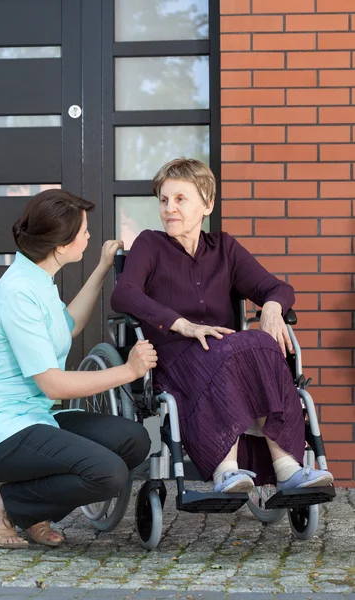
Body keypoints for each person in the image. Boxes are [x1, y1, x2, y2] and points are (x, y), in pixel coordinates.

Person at [111, 158, 334, 495]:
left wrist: (273, 307)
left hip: (227, 354)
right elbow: (123, 294)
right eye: (164, 200)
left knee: (260, 342)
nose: (169, 209)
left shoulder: (224, 249)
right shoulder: (149, 244)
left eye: (180, 199)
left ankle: (287, 468)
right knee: (242, 348)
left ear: (207, 204)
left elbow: (276, 287)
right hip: (176, 361)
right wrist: (182, 325)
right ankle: (226, 471)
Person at [0, 189, 156, 549]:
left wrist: (101, 267)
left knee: (133, 440)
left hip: (33, 418)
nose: (89, 236)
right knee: (107, 473)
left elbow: (68, 326)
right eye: (83, 231)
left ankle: (32, 510)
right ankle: (2, 502)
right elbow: (53, 385)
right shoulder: (17, 293)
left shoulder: (37, 278)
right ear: (61, 246)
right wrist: (129, 371)